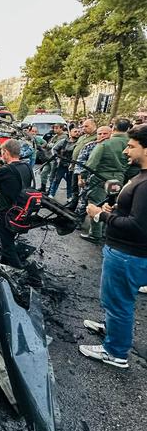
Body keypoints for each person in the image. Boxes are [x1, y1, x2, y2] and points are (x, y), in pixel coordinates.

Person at [79, 125, 147, 369]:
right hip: (123, 252)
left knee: (120, 303)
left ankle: (115, 352)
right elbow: (134, 214)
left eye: (131, 146)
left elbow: (139, 226)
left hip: (128, 254)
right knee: (114, 300)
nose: (126, 150)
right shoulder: (139, 177)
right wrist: (115, 209)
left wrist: (100, 215)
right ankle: (111, 329)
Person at [0, 139, 33, 268]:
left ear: (6, 152)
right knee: (8, 239)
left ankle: (18, 270)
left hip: (7, 212)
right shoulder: (26, 166)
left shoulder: (7, 169)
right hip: (20, 211)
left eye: (2, 152)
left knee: (7, 245)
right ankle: (4, 264)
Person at [80, 121, 129, 243]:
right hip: (119, 179)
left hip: (101, 179)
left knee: (96, 204)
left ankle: (95, 234)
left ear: (113, 128)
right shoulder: (132, 143)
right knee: (111, 206)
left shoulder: (105, 144)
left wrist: (83, 177)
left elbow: (91, 164)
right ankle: (105, 232)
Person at [69, 119, 97, 210]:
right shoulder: (82, 137)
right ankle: (73, 205)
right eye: (83, 126)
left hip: (84, 168)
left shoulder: (96, 138)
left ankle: (78, 210)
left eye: (86, 126)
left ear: (94, 125)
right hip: (75, 166)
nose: (83, 128)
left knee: (81, 190)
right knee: (74, 187)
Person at [48, 126, 81, 199]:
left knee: (70, 182)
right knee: (57, 179)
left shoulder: (80, 143)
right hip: (62, 164)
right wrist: (57, 158)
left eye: (78, 132)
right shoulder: (64, 141)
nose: (77, 133)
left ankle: (69, 197)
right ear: (70, 133)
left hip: (72, 165)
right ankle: (51, 194)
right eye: (75, 132)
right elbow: (54, 149)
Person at [40, 124, 67, 192]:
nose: (55, 129)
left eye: (57, 128)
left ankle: (50, 190)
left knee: (52, 175)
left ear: (61, 128)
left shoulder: (64, 137)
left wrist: (50, 145)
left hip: (56, 158)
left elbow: (55, 146)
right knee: (44, 172)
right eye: (54, 128)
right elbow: (48, 144)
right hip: (49, 157)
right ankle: (43, 187)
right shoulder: (55, 136)